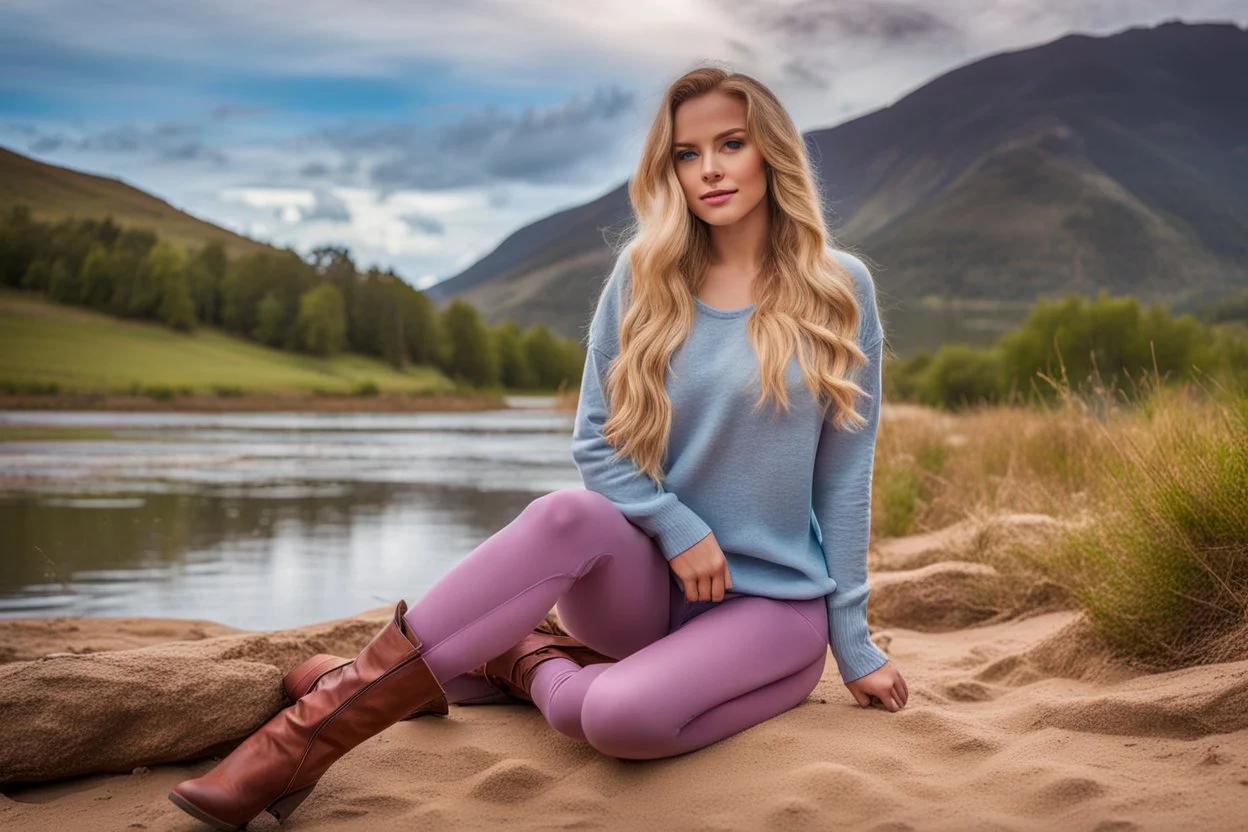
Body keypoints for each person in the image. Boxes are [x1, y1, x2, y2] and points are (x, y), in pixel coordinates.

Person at [168, 64, 910, 831]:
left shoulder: (838, 287)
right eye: (688, 153)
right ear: (669, 168)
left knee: (619, 720)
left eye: (731, 143)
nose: (711, 169)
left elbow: (845, 482)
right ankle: (301, 743)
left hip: (769, 602)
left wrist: (854, 646)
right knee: (567, 516)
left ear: (772, 153)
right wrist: (676, 526)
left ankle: (524, 662)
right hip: (648, 586)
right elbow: (595, 441)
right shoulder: (645, 276)